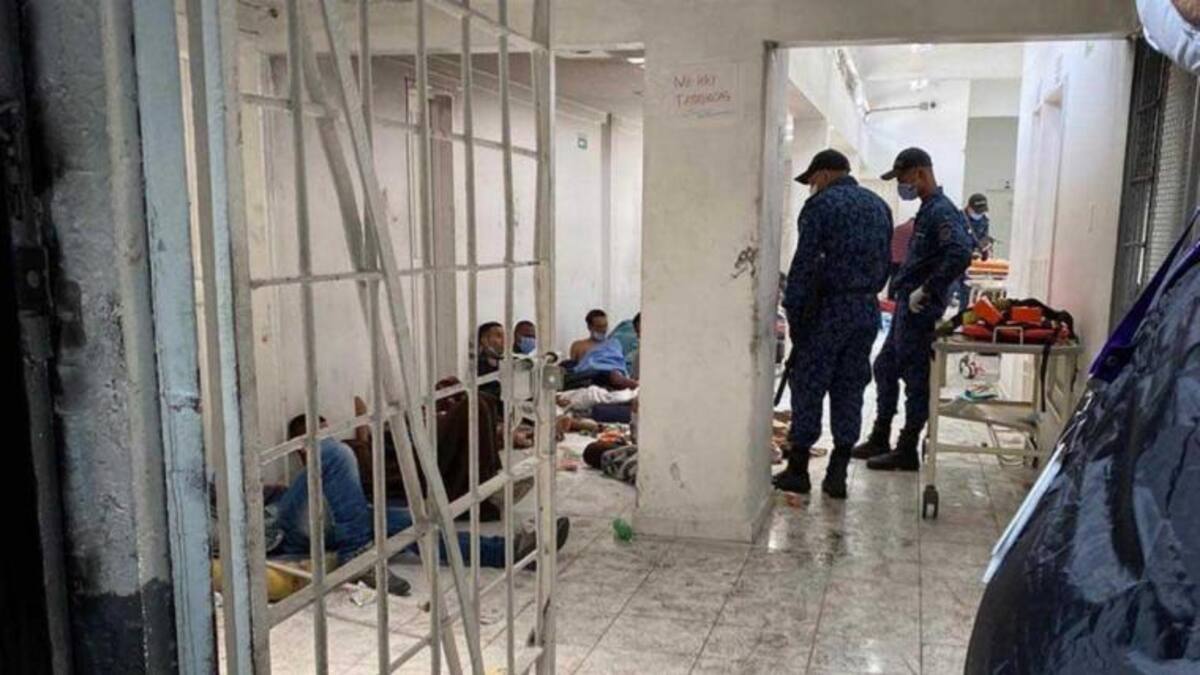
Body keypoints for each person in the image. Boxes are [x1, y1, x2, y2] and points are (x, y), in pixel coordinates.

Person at [264, 417, 571, 595]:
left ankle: (510, 551)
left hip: (341, 523)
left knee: (417, 525)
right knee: (334, 451)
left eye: (326, 429)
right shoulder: (298, 485)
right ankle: (358, 556)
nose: (324, 435)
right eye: (314, 436)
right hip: (281, 527)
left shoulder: (340, 477)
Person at [772, 149, 892, 499]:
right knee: (850, 385)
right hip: (865, 309)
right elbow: (885, 262)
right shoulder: (879, 206)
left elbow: (805, 263)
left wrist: (795, 312)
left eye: (812, 180)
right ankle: (837, 473)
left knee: (809, 384)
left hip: (825, 310)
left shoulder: (821, 206)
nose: (812, 187)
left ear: (823, 175)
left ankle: (798, 470)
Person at [859, 148, 973, 472]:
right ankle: (880, 436)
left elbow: (960, 254)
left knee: (915, 379)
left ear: (920, 173)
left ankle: (907, 448)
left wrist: (928, 288)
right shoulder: (928, 209)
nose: (902, 185)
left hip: (921, 309)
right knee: (884, 367)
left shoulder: (942, 211)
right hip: (907, 306)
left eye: (903, 178)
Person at [952, 193, 992, 310]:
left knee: (967, 292)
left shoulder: (984, 221)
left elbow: (983, 238)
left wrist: (984, 249)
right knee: (950, 288)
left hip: (971, 265)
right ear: (969, 208)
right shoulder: (957, 219)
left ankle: (962, 315)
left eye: (982, 211)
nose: (979, 214)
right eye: (977, 211)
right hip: (955, 261)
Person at [888, 218, 915, 300]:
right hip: (905, 260)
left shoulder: (898, 228)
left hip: (894, 258)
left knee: (893, 278)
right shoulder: (914, 230)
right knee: (905, 281)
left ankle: (891, 297)